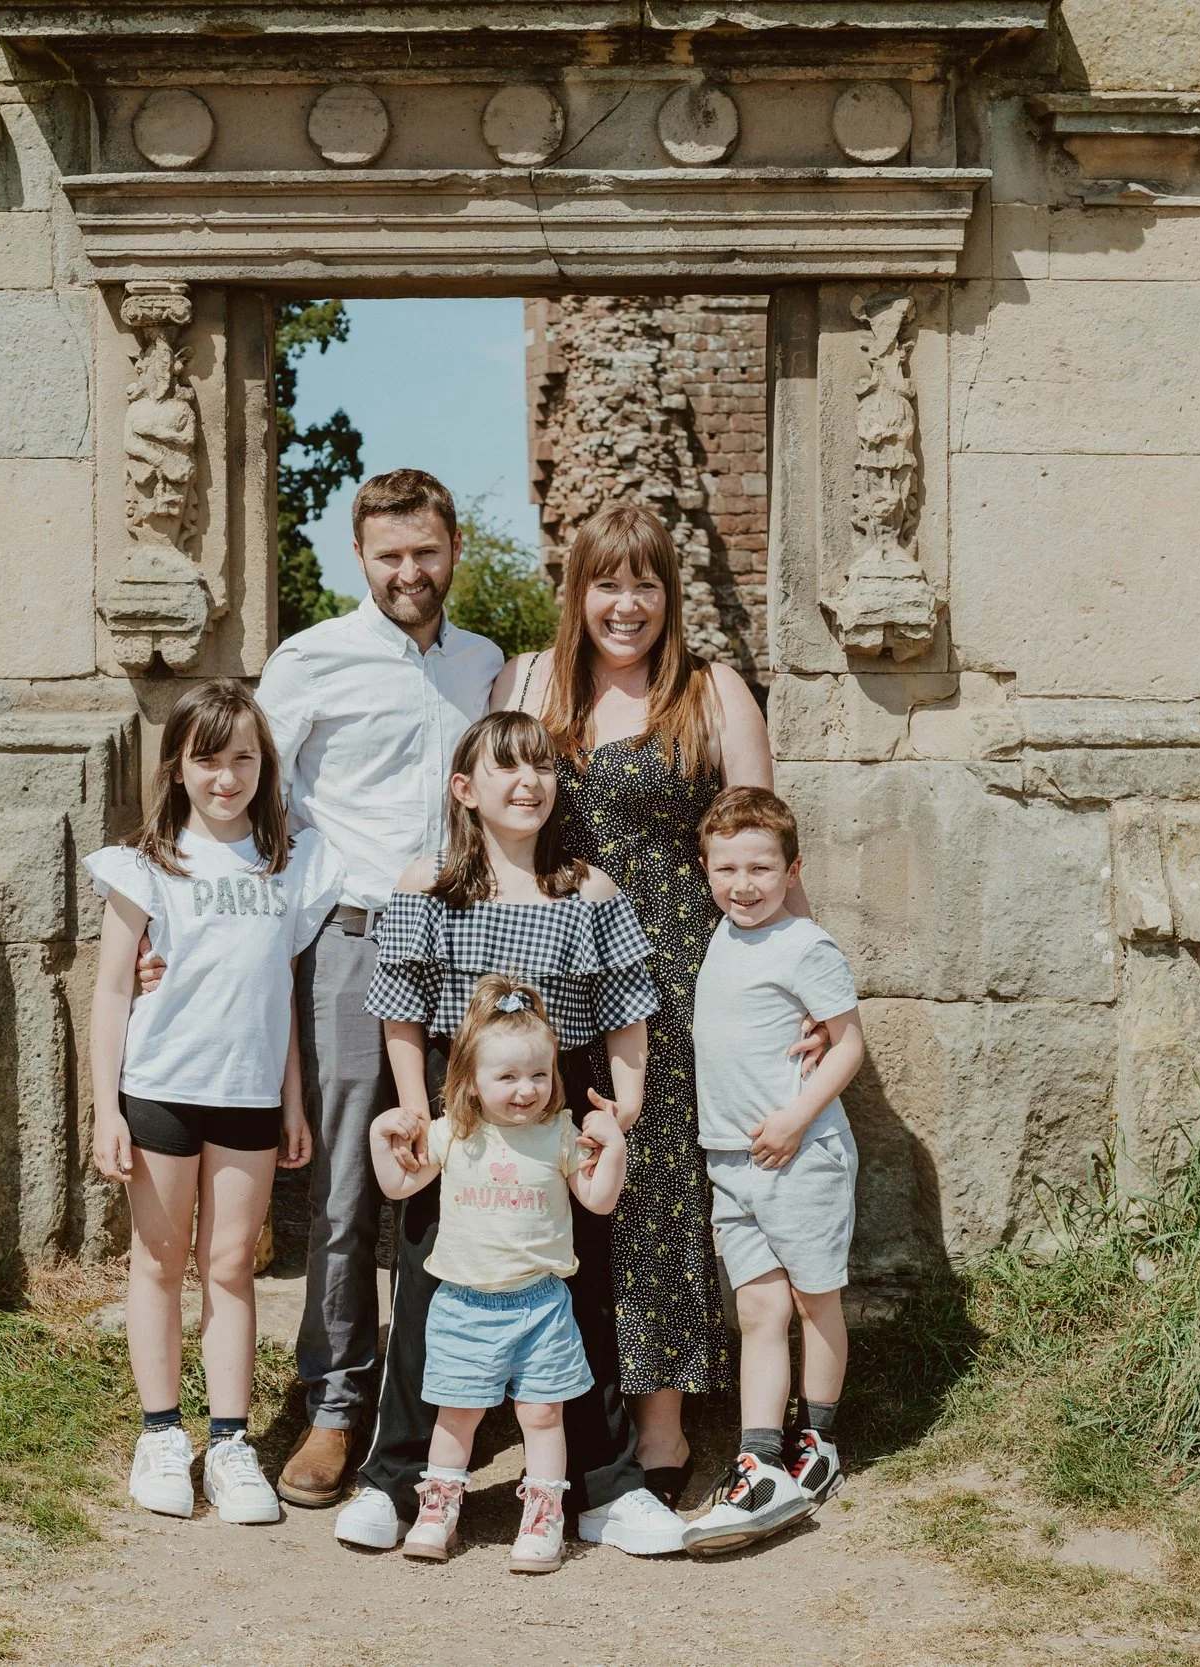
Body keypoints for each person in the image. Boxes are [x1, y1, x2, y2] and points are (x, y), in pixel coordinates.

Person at [494, 502, 815, 1502]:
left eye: (644, 583)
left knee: (657, 1198)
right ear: (576, 590)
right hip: (552, 966)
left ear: (668, 593)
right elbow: (489, 825)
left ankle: (663, 1430)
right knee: (547, 1179)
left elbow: (767, 845)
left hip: (677, 976)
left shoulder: (712, 691)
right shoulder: (531, 682)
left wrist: (812, 984)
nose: (624, 604)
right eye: (605, 583)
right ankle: (556, 1410)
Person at [335, 711, 689, 1557]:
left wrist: (625, 1101)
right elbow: (403, 1008)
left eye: (541, 767)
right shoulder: (429, 884)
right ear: (466, 788)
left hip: (554, 1100)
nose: (527, 782)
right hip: (457, 1105)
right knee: (428, 1289)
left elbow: (626, 1004)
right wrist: (417, 1107)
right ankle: (397, 1478)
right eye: (506, 768)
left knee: (578, 1292)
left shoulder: (587, 889)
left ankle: (600, 1488)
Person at [250, 468, 506, 1506]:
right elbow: (244, 797)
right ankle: (335, 1406)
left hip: (470, 942)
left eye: (426, 551)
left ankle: (453, 1393)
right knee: (355, 1189)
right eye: (390, 555)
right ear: (361, 557)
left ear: (453, 551)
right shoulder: (310, 659)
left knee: (473, 1172)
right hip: (356, 941)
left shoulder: (485, 664)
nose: (410, 571)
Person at [86, 680, 344, 1524]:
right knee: (159, 1262)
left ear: (265, 766)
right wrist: (104, 1108)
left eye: (243, 758)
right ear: (179, 767)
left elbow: (285, 993)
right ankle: (163, 1432)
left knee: (230, 1266)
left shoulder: (288, 866)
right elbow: (112, 992)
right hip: (161, 1090)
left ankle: (230, 1442)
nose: (226, 776)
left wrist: (293, 1100)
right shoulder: (145, 865)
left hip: (248, 1099)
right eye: (208, 758)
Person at [366, 975, 629, 1573]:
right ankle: (438, 1509)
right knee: (457, 1415)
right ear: (469, 1081)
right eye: (506, 1077)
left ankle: (542, 1518)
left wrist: (611, 1147)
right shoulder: (453, 1134)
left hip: (541, 1304)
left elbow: (598, 1201)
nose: (525, 1090)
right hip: (463, 1304)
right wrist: (382, 1139)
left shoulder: (561, 1135)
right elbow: (400, 1184)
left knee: (543, 1414)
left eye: (538, 1075)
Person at [679, 787, 867, 1556]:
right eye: (727, 867)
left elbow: (849, 1043)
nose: (744, 883)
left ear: (792, 869)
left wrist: (795, 1118)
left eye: (761, 866)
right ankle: (758, 1450)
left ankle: (817, 1438)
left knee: (814, 1296)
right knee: (758, 1308)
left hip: (801, 1156)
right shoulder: (718, 935)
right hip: (730, 1160)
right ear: (706, 869)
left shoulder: (805, 944)